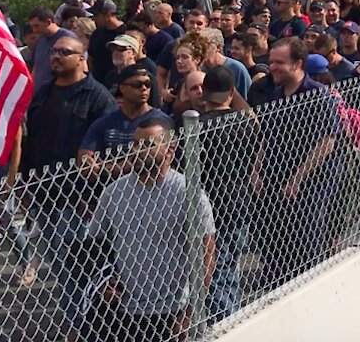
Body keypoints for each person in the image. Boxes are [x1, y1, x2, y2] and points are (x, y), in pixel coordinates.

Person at [19, 35, 115, 338]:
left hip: (80, 200)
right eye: (53, 52)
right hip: (45, 196)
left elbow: (106, 150)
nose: (55, 57)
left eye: (64, 52)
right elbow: (30, 142)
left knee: (81, 268)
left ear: (81, 58)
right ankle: (74, 324)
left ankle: (84, 327)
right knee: (61, 268)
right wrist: (24, 182)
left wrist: (96, 196)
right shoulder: (43, 94)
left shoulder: (97, 96)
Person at [87, 117, 215, 342]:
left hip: (173, 308)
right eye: (135, 144)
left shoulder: (188, 194)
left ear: (169, 150)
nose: (137, 151)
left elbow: (206, 255)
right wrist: (103, 282)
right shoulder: (113, 193)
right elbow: (94, 245)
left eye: (147, 145)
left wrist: (190, 312)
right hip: (126, 310)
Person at [254, 38, 341, 286]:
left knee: (306, 235)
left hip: (310, 180)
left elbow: (326, 141)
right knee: (271, 234)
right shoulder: (276, 94)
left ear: (298, 64)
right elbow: (266, 136)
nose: (273, 67)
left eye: (280, 62)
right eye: (271, 62)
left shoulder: (317, 95)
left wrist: (297, 179)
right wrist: (256, 170)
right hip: (277, 174)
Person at [195, 66, 262, 322]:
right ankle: (228, 316)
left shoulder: (198, 127)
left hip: (211, 205)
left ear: (204, 94)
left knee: (215, 273)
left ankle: (224, 321)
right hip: (239, 201)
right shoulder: (245, 124)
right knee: (228, 267)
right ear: (232, 92)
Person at [78, 64, 173, 183]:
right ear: (122, 88)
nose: (144, 88)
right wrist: (90, 164)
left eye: (148, 84)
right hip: (107, 189)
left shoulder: (160, 122)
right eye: (137, 84)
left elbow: (147, 163)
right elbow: (84, 160)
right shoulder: (105, 122)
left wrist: (102, 169)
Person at [29, 5, 78, 95]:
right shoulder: (39, 40)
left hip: (59, 95)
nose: (34, 30)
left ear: (48, 22)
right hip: (38, 96)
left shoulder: (68, 38)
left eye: (37, 26)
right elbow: (36, 68)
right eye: (32, 26)